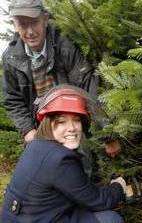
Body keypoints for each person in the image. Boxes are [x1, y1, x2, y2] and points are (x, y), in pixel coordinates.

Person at [1, 85, 127, 223]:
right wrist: (119, 186)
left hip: (21, 217)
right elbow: (98, 201)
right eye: (62, 122)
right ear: (48, 124)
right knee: (110, 219)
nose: (72, 128)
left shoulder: (36, 145)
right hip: (33, 219)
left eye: (77, 120)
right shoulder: (60, 159)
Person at [2, 0, 99, 143]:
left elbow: (88, 88)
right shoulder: (10, 57)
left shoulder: (66, 46)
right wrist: (28, 130)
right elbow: (12, 99)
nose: (30, 32)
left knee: (81, 163)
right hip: (41, 128)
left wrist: (105, 135)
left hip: (74, 125)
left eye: (34, 22)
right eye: (22, 24)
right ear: (15, 25)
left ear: (45, 19)